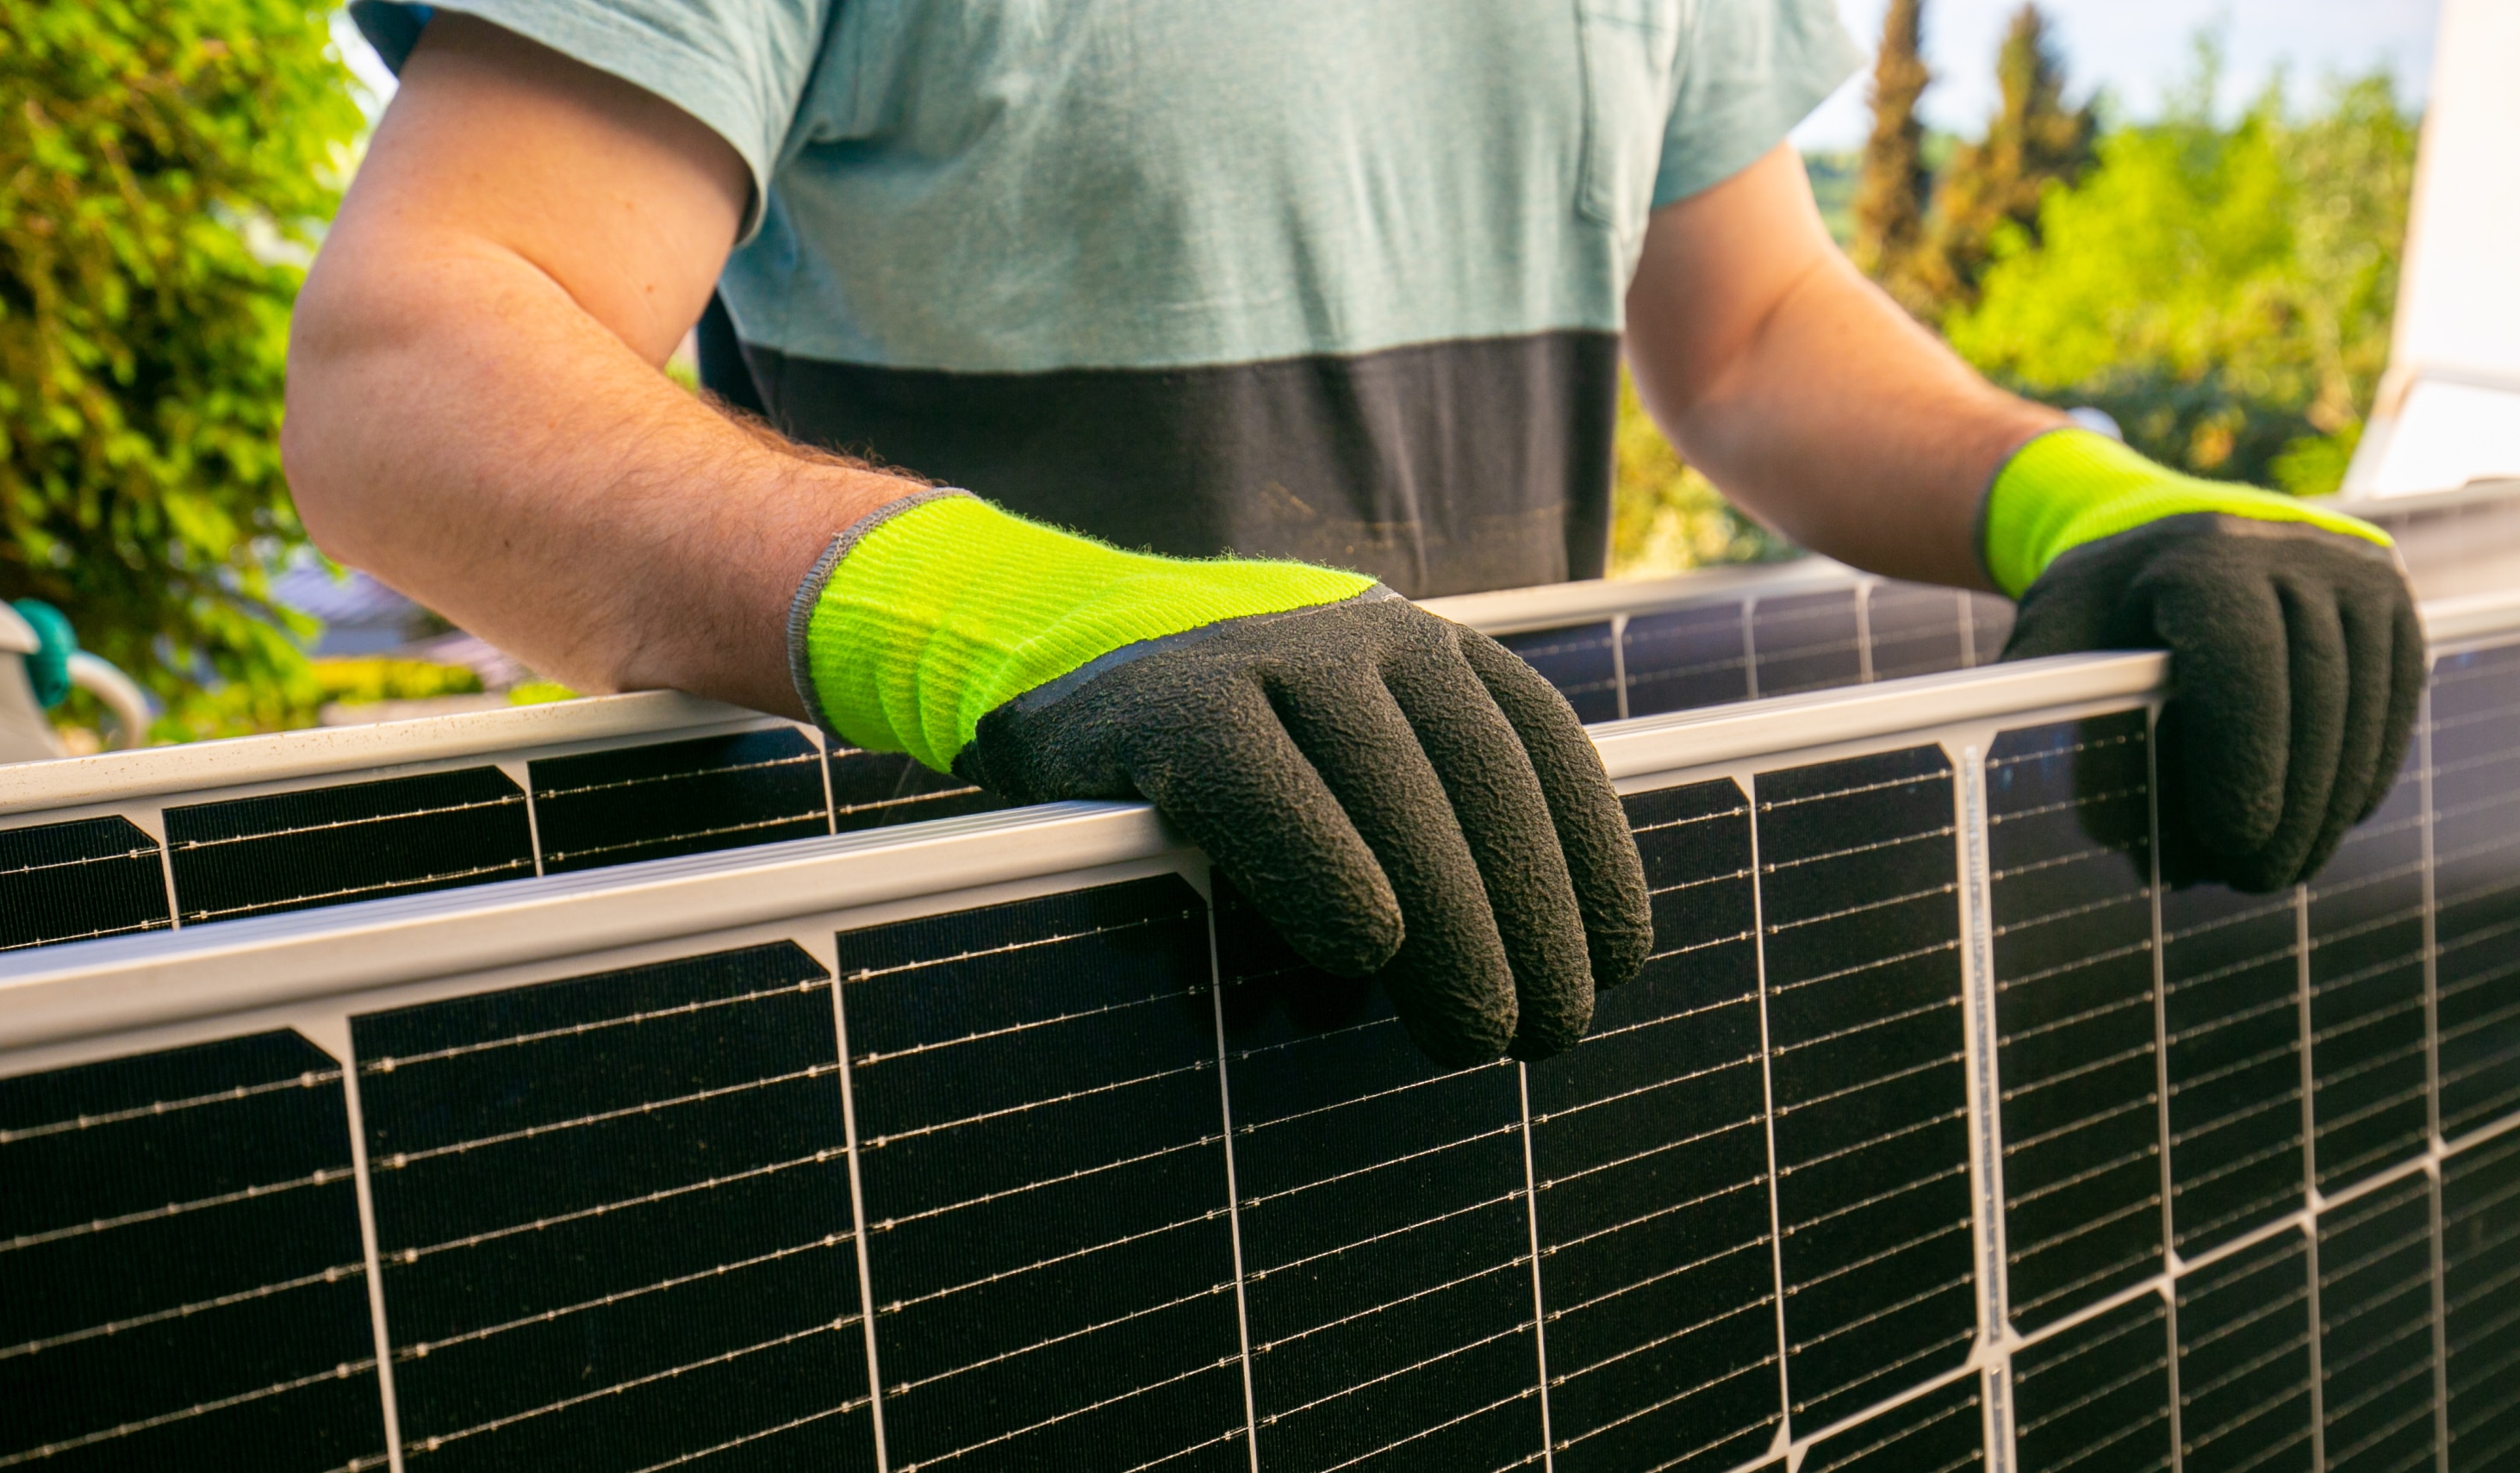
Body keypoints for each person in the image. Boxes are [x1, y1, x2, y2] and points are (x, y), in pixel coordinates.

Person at [289, 3, 2423, 1066]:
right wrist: (1013, 623)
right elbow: (414, 370)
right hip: (970, 1053)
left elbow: (1755, 327)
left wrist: (2093, 491)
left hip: (1483, 953)